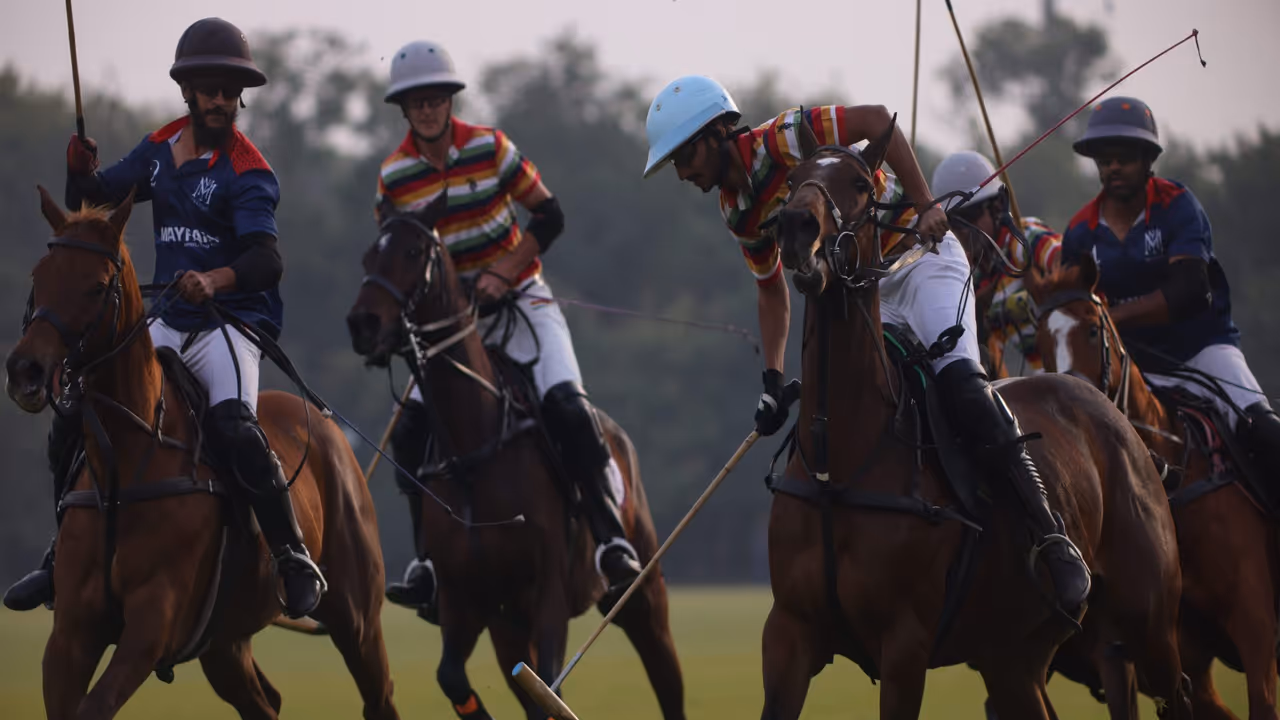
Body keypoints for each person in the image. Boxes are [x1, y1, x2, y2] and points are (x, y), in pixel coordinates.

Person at [642, 76, 1091, 615]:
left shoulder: (784, 137)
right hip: (867, 289)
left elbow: (878, 120)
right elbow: (771, 290)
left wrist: (926, 204)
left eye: (684, 156)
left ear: (717, 132)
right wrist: (772, 380)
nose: (682, 173)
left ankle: (1049, 531)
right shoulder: (736, 209)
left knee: (961, 384)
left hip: (922, 259)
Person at [3, 18, 326, 619]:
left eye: (231, 91)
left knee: (234, 425)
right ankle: (59, 553)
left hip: (230, 323)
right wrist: (80, 170)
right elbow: (91, 203)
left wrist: (213, 279)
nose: (221, 100)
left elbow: (266, 260)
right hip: (170, 316)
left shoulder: (248, 170)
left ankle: (291, 555)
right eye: (210, 89)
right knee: (77, 408)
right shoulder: (159, 148)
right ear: (188, 91)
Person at [374, 40, 643, 619]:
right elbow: (396, 255)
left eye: (435, 98)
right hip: (452, 326)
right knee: (410, 429)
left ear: (450, 101)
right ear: (403, 109)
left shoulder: (491, 148)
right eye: (416, 101)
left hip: (522, 301)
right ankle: (426, 562)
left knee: (567, 405)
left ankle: (609, 539)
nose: (427, 109)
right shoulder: (394, 177)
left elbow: (550, 216)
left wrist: (502, 272)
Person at [1064, 96, 1280, 475]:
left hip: (1201, 350)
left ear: (1148, 159)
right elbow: (1072, 311)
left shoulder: (1178, 205)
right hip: (1131, 366)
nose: (1114, 167)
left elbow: (1191, 292)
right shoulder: (1080, 231)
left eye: (1124, 157)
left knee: (1262, 428)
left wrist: (1111, 317)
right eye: (1105, 159)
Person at [931, 151, 1063, 375]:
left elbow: (1068, 261)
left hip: (1068, 377)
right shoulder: (962, 271)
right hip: (1014, 389)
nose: (964, 230)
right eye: (955, 220)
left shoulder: (1023, 239)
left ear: (998, 206)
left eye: (971, 215)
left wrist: (1047, 288)